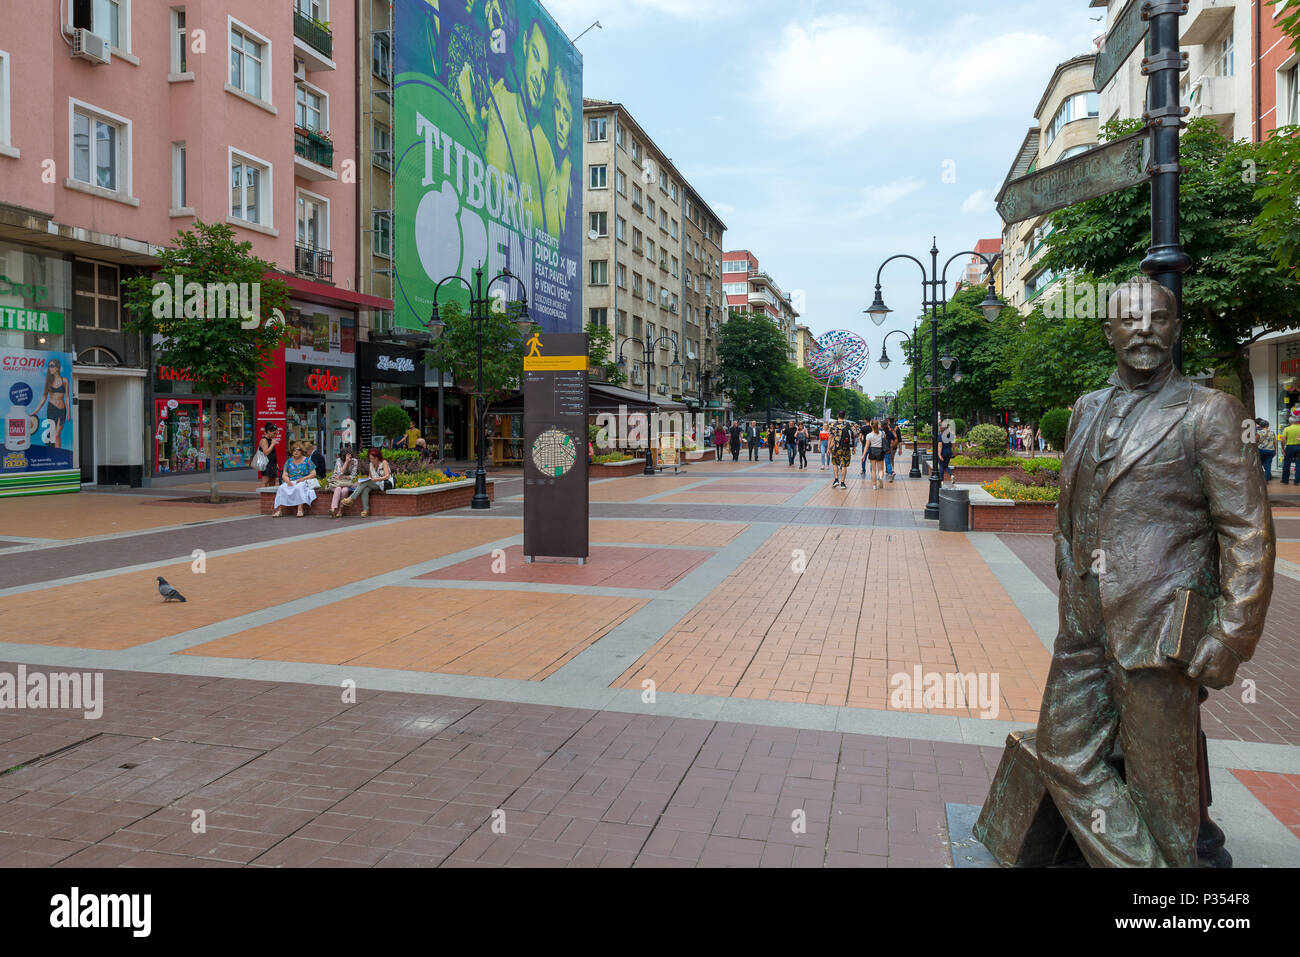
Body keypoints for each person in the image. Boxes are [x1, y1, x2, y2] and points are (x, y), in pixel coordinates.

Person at [1020, 277, 1274, 868]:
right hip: (1083, 624)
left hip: (1163, 626)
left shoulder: (1211, 412)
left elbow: (1248, 531)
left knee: (1163, 788)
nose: (1144, 330)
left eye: (1159, 319)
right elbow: (1072, 500)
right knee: (1063, 752)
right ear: (1108, 332)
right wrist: (1067, 561)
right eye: (1130, 320)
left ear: (1176, 329)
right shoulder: (1085, 407)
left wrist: (1231, 634)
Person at [343, 448, 394, 517]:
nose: (372, 460)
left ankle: (351, 499)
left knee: (365, 483)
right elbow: (370, 477)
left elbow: (387, 476)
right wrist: (360, 482)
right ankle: (365, 510)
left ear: (378, 457)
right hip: (376, 484)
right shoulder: (370, 464)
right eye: (370, 458)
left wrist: (377, 479)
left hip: (386, 484)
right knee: (365, 489)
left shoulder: (384, 462)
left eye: (373, 459)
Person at [32, 358, 70, 449]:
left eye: (52, 366)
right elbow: (44, 397)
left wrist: (69, 412)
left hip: (62, 410)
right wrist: (35, 411)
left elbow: (67, 397)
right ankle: (54, 454)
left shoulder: (64, 380)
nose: (50, 368)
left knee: (57, 434)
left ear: (57, 367)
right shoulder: (49, 381)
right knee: (53, 434)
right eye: (49, 366)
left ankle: (58, 455)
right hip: (51, 409)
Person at [273, 442, 318, 518]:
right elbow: (284, 475)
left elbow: (313, 473)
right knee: (281, 487)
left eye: (298, 450)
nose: (296, 452)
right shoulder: (289, 461)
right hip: (291, 481)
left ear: (302, 451)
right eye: (294, 450)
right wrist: (288, 481)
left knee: (299, 487)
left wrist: (303, 478)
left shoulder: (307, 460)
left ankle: (300, 509)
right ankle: (279, 510)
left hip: (303, 480)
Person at [327, 446, 360, 518]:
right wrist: (346, 462)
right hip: (336, 483)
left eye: (350, 456)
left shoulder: (354, 461)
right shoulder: (339, 460)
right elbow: (339, 473)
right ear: (343, 457)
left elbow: (353, 476)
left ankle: (340, 510)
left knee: (345, 490)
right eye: (347, 456)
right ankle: (333, 509)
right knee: (338, 488)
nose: (349, 458)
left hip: (346, 483)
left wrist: (344, 477)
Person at [828, 410, 852, 489]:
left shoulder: (833, 424)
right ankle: (842, 483)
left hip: (836, 448)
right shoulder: (847, 424)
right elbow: (852, 435)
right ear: (844, 416)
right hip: (845, 448)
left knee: (835, 463)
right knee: (844, 465)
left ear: (838, 415)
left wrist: (828, 448)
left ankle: (836, 480)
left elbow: (830, 437)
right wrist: (854, 447)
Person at [255, 423, 281, 491]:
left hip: (272, 464)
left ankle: (271, 496)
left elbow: (272, 453)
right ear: (269, 431)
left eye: (276, 433)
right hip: (266, 464)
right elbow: (266, 452)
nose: (275, 435)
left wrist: (276, 464)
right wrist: (272, 444)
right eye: (274, 433)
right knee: (265, 481)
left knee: (273, 481)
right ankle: (263, 496)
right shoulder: (264, 440)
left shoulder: (270, 440)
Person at [863, 420, 886, 490]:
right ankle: (881, 478)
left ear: (871, 426)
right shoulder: (882, 433)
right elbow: (884, 441)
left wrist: (863, 455)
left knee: (873, 470)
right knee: (881, 469)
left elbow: (866, 446)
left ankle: (874, 485)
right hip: (880, 451)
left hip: (872, 451)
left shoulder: (869, 435)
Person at [1282, 414, 1300, 485]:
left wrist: (1283, 448)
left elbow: (1283, 440)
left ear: (1290, 422)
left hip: (1290, 447)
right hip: (1299, 447)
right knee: (1299, 464)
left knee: (1287, 463)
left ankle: (1285, 480)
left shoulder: (1287, 429)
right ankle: (1297, 481)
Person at [883, 418, 898, 483]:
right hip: (887, 449)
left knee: (878, 463)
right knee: (888, 462)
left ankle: (879, 477)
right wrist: (892, 446)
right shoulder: (890, 433)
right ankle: (890, 474)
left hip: (880, 450)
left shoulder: (880, 432)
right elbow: (895, 440)